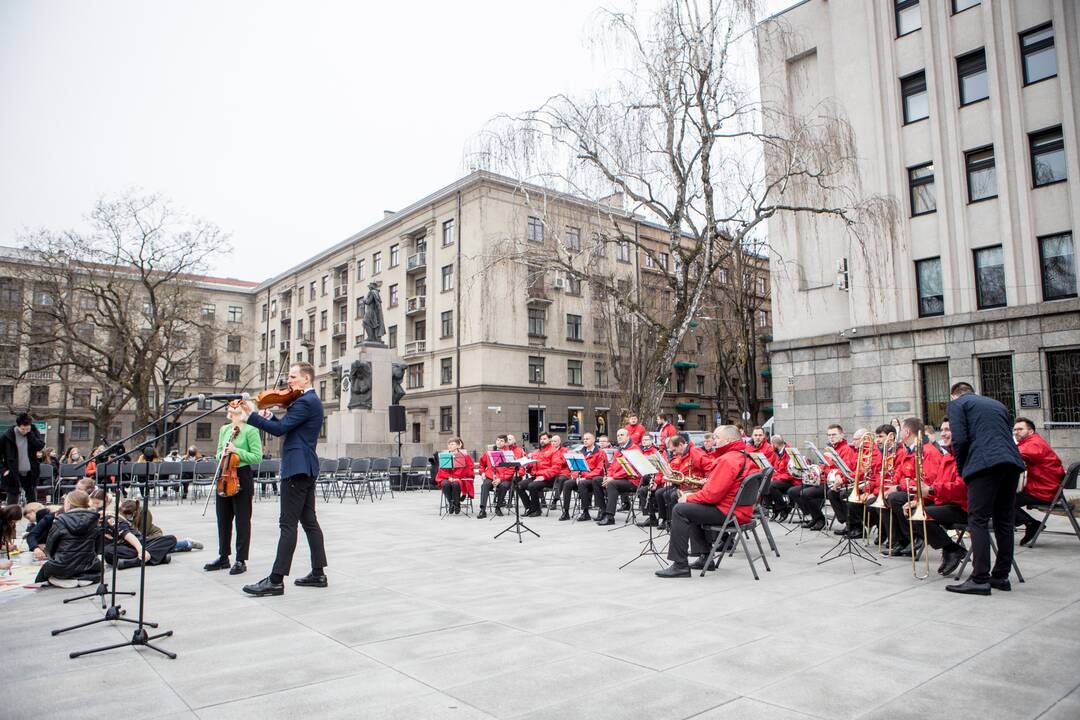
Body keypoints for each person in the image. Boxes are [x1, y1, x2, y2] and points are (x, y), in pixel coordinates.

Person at [238, 362, 328, 597]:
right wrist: (271, 418)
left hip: (296, 469)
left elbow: (279, 432)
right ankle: (318, 573)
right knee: (309, 522)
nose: (289, 381)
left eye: (293, 376)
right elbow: (288, 428)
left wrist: (251, 416)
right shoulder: (308, 401)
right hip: (306, 467)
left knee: (287, 525)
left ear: (306, 379)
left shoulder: (304, 402)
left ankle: (276, 580)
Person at [945, 381, 1025, 595]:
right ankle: (1001, 576)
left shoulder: (957, 404)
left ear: (955, 395)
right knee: (1004, 520)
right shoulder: (996, 404)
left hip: (984, 464)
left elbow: (960, 439)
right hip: (1011, 463)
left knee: (977, 519)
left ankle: (980, 578)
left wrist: (963, 469)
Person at [655, 426, 757, 577]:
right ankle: (705, 558)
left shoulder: (727, 460)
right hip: (740, 511)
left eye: (717, 438)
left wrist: (688, 497)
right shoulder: (743, 456)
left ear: (728, 440)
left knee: (680, 509)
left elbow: (711, 496)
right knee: (692, 508)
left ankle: (680, 565)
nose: (713, 441)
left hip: (729, 513)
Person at [204, 403, 261, 575]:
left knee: (242, 520)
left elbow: (257, 457)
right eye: (230, 412)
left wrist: (237, 451)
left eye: (235, 412)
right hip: (224, 474)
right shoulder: (224, 429)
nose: (232, 414)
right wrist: (221, 454)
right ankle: (223, 557)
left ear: (243, 413)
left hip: (241, 476)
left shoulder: (251, 430)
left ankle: (241, 559)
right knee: (223, 518)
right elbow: (218, 451)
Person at [909, 418, 968, 577]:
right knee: (912, 510)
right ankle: (950, 548)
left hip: (964, 507)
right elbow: (938, 483)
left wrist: (932, 490)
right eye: (942, 430)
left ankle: (951, 549)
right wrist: (920, 499)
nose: (943, 433)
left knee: (919, 516)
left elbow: (962, 488)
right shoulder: (948, 456)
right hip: (948, 504)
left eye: (948, 429)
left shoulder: (964, 456)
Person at [1012, 417, 1066, 545]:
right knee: (1004, 498)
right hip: (1044, 488)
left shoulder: (1034, 444)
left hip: (1043, 491)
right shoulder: (1033, 441)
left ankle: (1032, 524)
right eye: (1014, 430)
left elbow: (1015, 453)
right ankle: (1027, 523)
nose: (1016, 432)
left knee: (1000, 502)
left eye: (1020, 429)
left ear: (1031, 431)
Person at [596, 428, 639, 526]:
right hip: (619, 479)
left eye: (622, 435)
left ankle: (610, 516)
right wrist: (608, 476)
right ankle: (603, 511)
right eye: (618, 435)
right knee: (596, 480)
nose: (619, 437)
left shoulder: (634, 449)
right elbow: (612, 466)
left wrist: (613, 478)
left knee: (612, 484)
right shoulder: (618, 450)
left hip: (632, 480)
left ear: (628, 436)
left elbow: (629, 469)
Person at [1, 413, 45, 504]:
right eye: (22, 429)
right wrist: (3, 469)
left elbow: (40, 446)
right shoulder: (7, 436)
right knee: (12, 500)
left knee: (32, 500)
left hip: (30, 472)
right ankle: (11, 517)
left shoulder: (33, 431)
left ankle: (32, 517)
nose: (25, 431)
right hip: (13, 472)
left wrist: (30, 435)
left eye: (27, 428)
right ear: (18, 426)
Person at [477, 435, 520, 519]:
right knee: (484, 485)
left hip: (504, 478)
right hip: (490, 477)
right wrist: (482, 472)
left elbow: (511, 469)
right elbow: (481, 464)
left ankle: (498, 507)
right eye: (497, 440)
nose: (499, 442)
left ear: (506, 443)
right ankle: (482, 510)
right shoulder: (488, 453)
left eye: (501, 441)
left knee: (504, 486)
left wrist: (500, 479)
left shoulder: (509, 454)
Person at [566, 432, 605, 521]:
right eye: (584, 439)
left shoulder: (600, 452)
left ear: (594, 440)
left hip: (593, 478)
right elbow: (575, 468)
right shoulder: (581, 452)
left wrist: (585, 477)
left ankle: (585, 512)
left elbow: (599, 469)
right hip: (582, 478)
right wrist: (576, 476)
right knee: (567, 483)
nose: (585, 440)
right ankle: (566, 511)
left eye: (587, 439)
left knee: (582, 483)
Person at [435, 437, 475, 514]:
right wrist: (449, 477)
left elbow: (467, 469)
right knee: (444, 484)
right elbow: (442, 470)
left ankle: (457, 504)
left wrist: (455, 477)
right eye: (449, 444)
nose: (450, 446)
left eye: (452, 444)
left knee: (456, 484)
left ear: (458, 445)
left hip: (461, 478)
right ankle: (451, 504)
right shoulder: (445, 456)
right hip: (447, 477)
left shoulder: (465, 456)